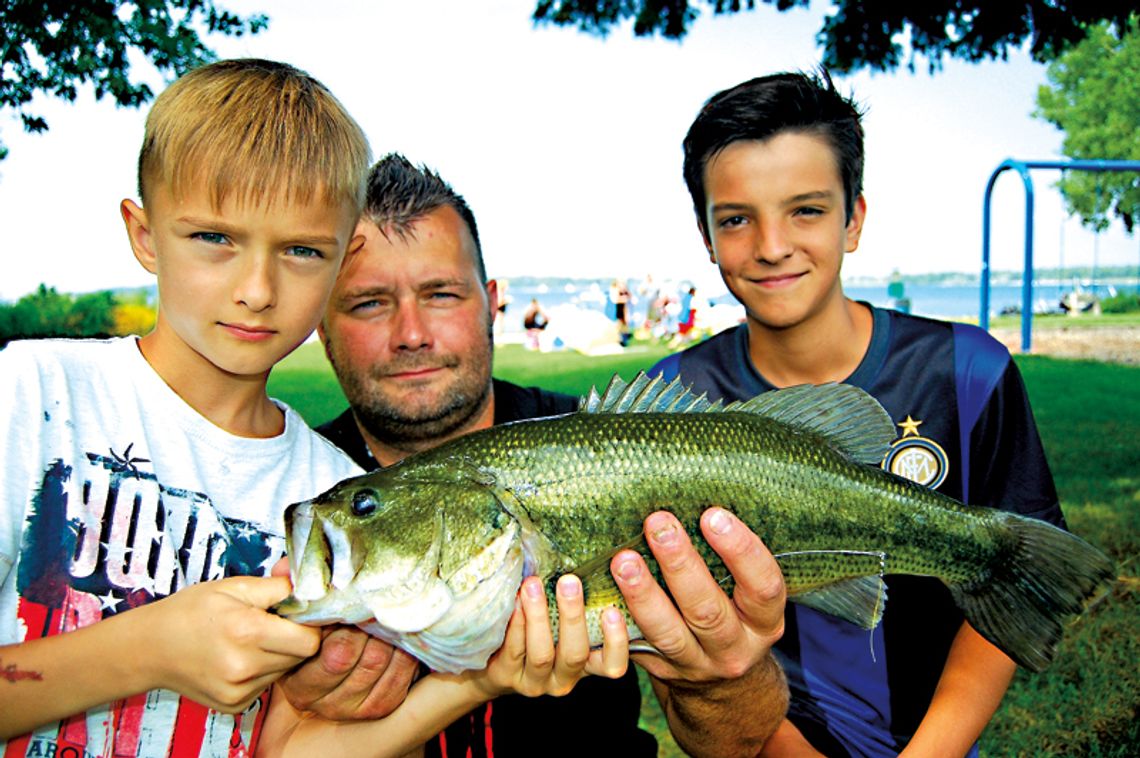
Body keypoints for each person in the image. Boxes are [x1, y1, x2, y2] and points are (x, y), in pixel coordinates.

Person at [278, 153, 791, 757]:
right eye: (368, 302)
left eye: (440, 294)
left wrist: (719, 674)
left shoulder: (606, 444)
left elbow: (736, 742)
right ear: (321, 325)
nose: (411, 333)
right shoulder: (295, 481)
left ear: (491, 302)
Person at [649, 70, 1067, 757]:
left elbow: (1016, 580)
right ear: (706, 233)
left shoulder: (967, 370)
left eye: (806, 210)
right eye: (736, 219)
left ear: (855, 219)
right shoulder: (672, 400)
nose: (772, 245)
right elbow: (679, 643)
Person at [0, 59, 372, 755]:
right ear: (144, 234)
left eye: (300, 251)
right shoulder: (34, 394)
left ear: (344, 260)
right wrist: (148, 650)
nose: (257, 289)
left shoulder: (340, 495)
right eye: (214, 239)